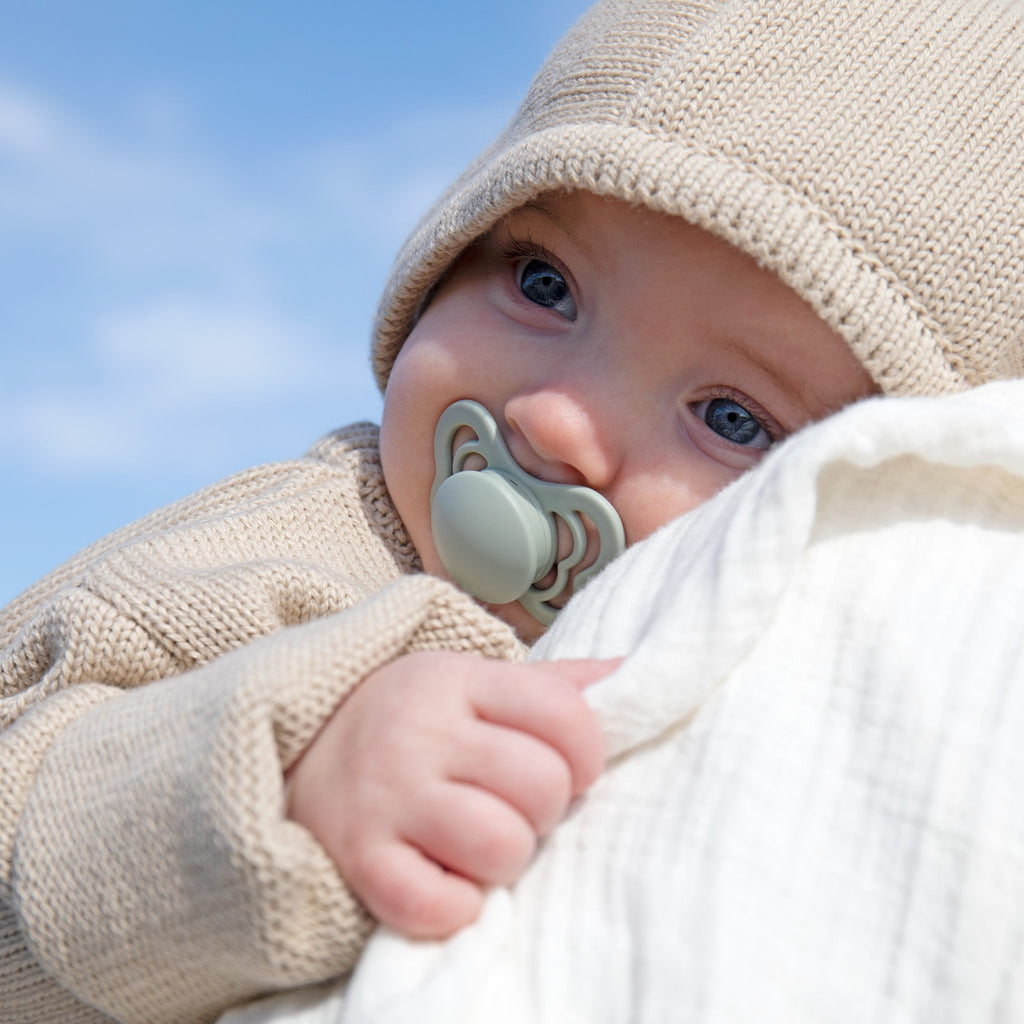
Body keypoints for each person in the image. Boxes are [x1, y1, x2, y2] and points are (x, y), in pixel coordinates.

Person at [3, 0, 1023, 1021]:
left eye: (729, 416)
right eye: (545, 283)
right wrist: (278, 791)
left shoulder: (840, 680)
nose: (554, 421)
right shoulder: (298, 548)